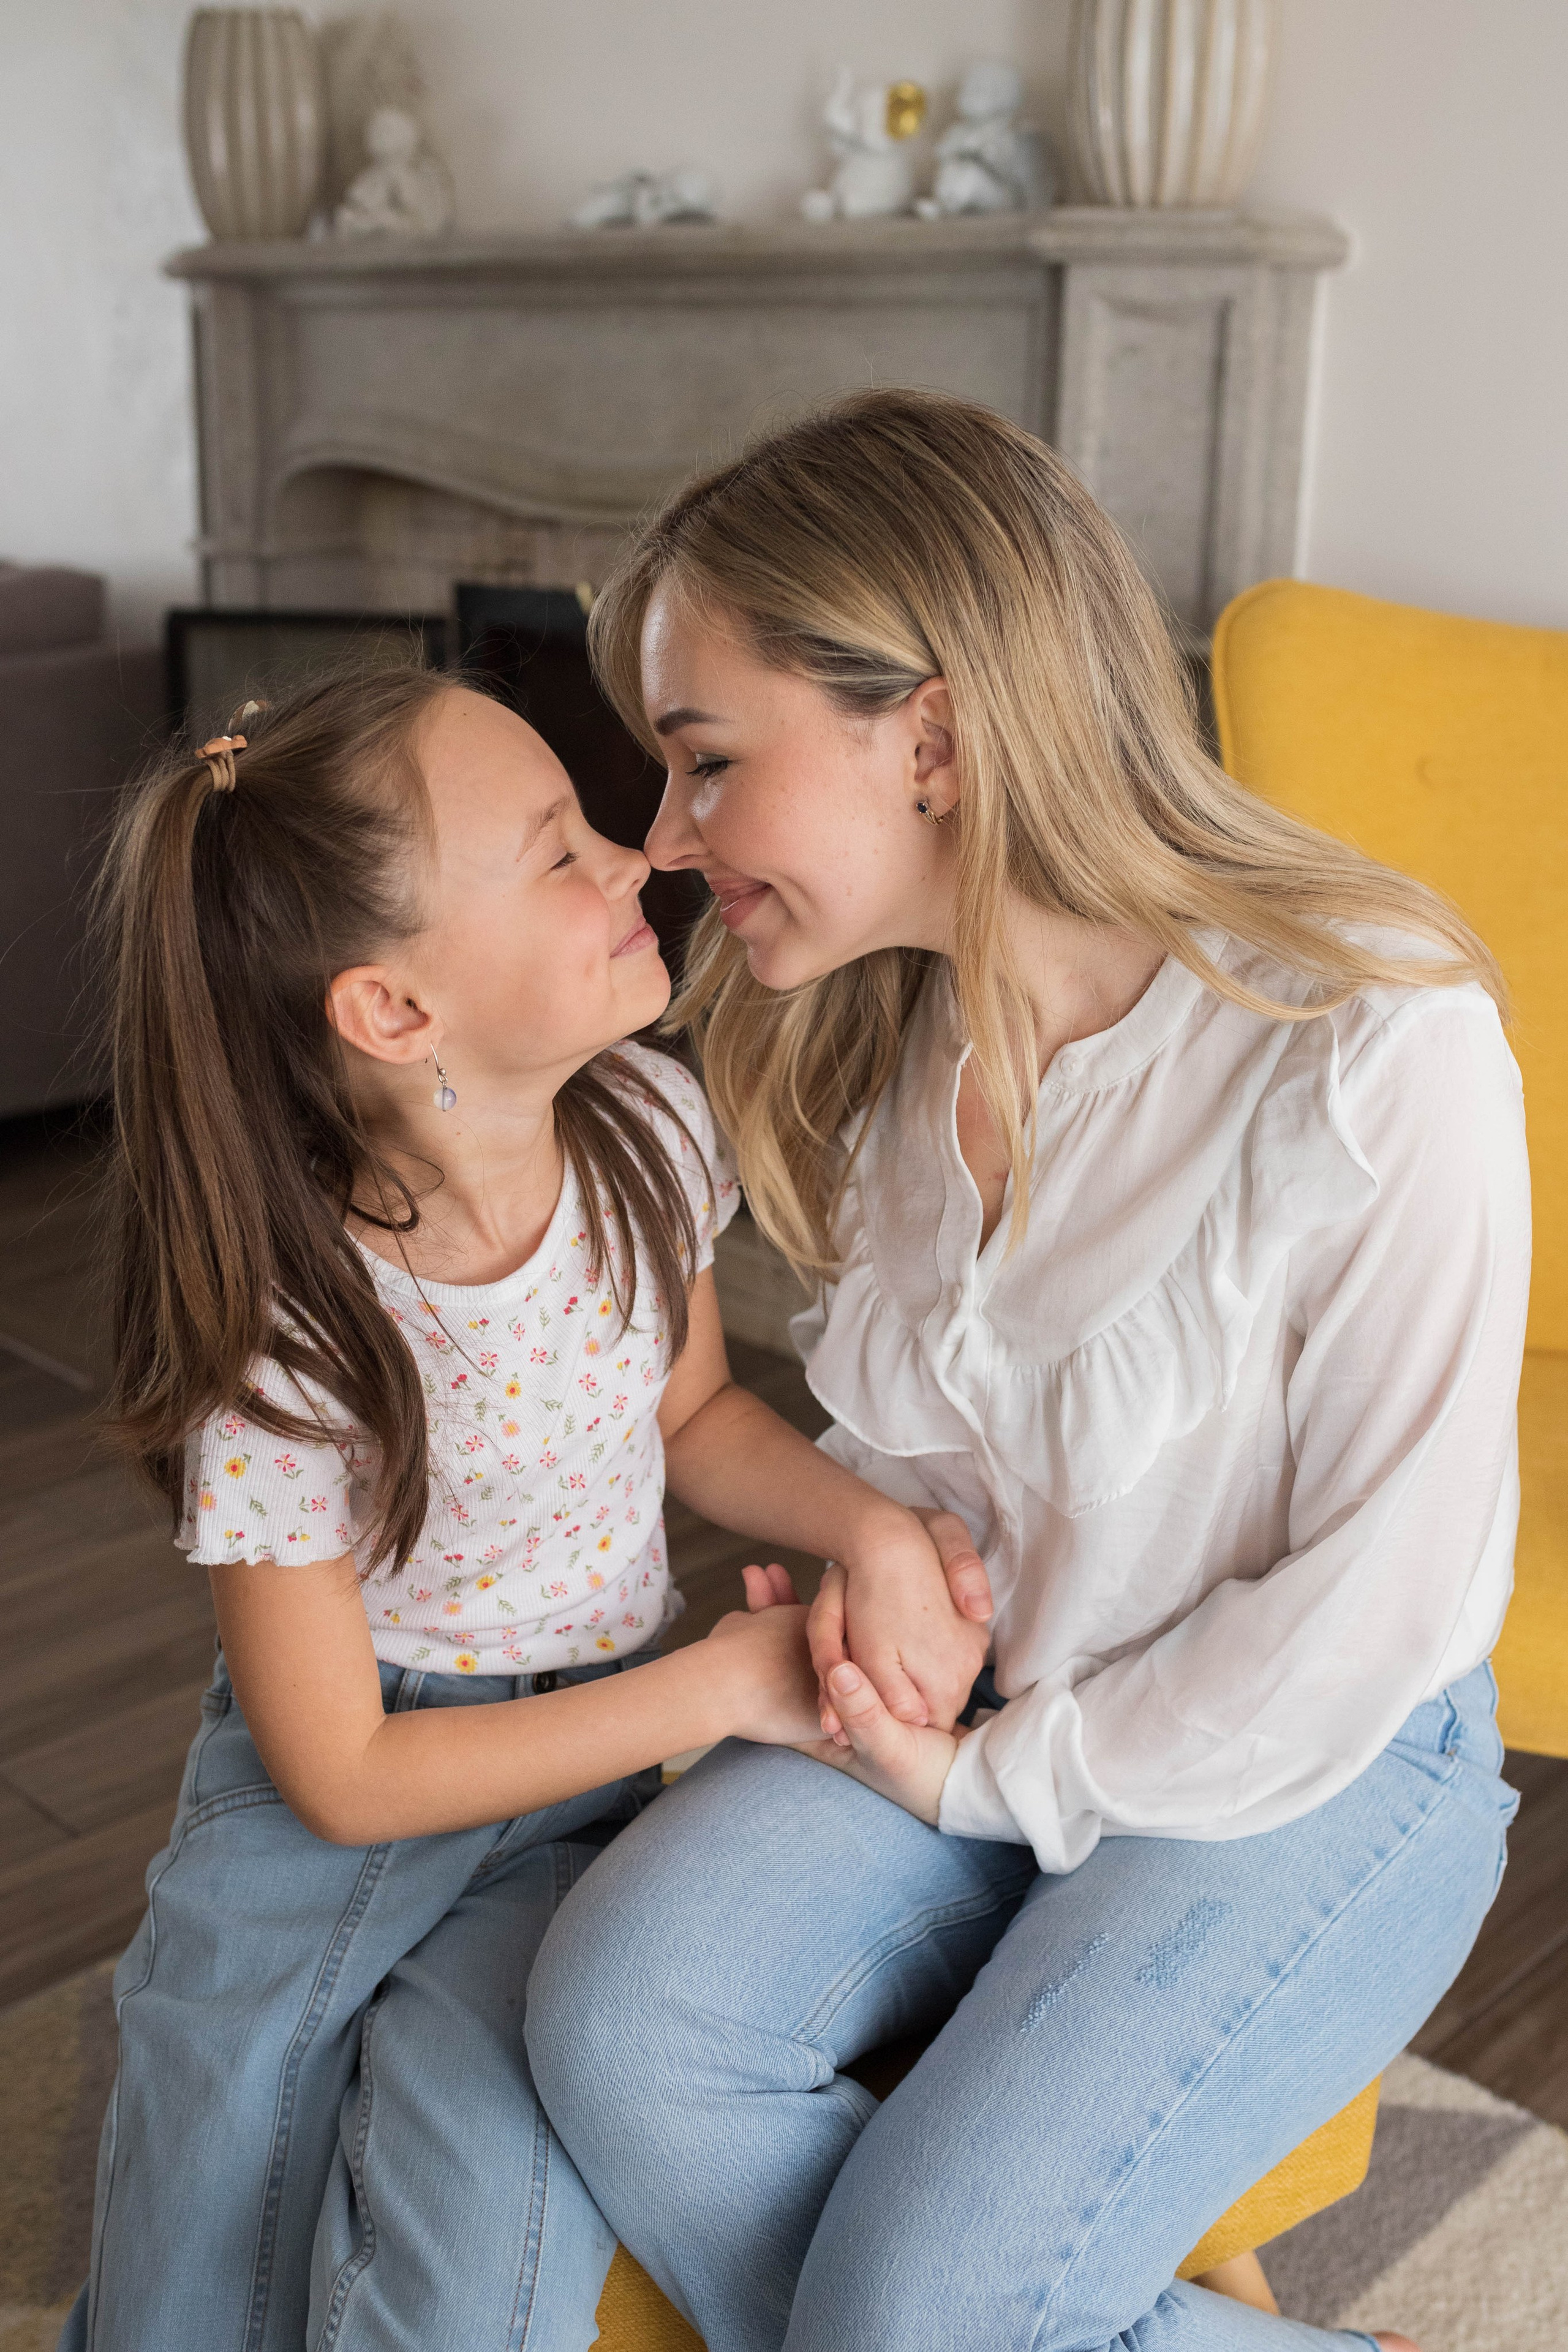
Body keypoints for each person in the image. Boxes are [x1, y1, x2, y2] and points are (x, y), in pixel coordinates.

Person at [524, 390, 1529, 2352]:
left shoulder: (1374, 1039)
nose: (660, 835)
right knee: (617, 2026)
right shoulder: (893, 1047)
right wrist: (884, 1572)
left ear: (939, 736)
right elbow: (955, 1473)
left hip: (1311, 1767)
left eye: (707, 760)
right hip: (980, 1705)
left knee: (917, 2305)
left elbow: (1368, 1613)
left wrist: (993, 1777)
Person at [58, 665, 989, 2352]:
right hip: (346, 1785)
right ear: (395, 1015)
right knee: (214, 2152)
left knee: (477, 2221)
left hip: (579, 1783)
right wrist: (724, 1686)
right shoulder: (284, 1329)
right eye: (561, 850)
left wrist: (870, 1529)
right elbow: (340, 1775)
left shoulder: (648, 1127)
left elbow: (696, 1415)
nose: (640, 854)